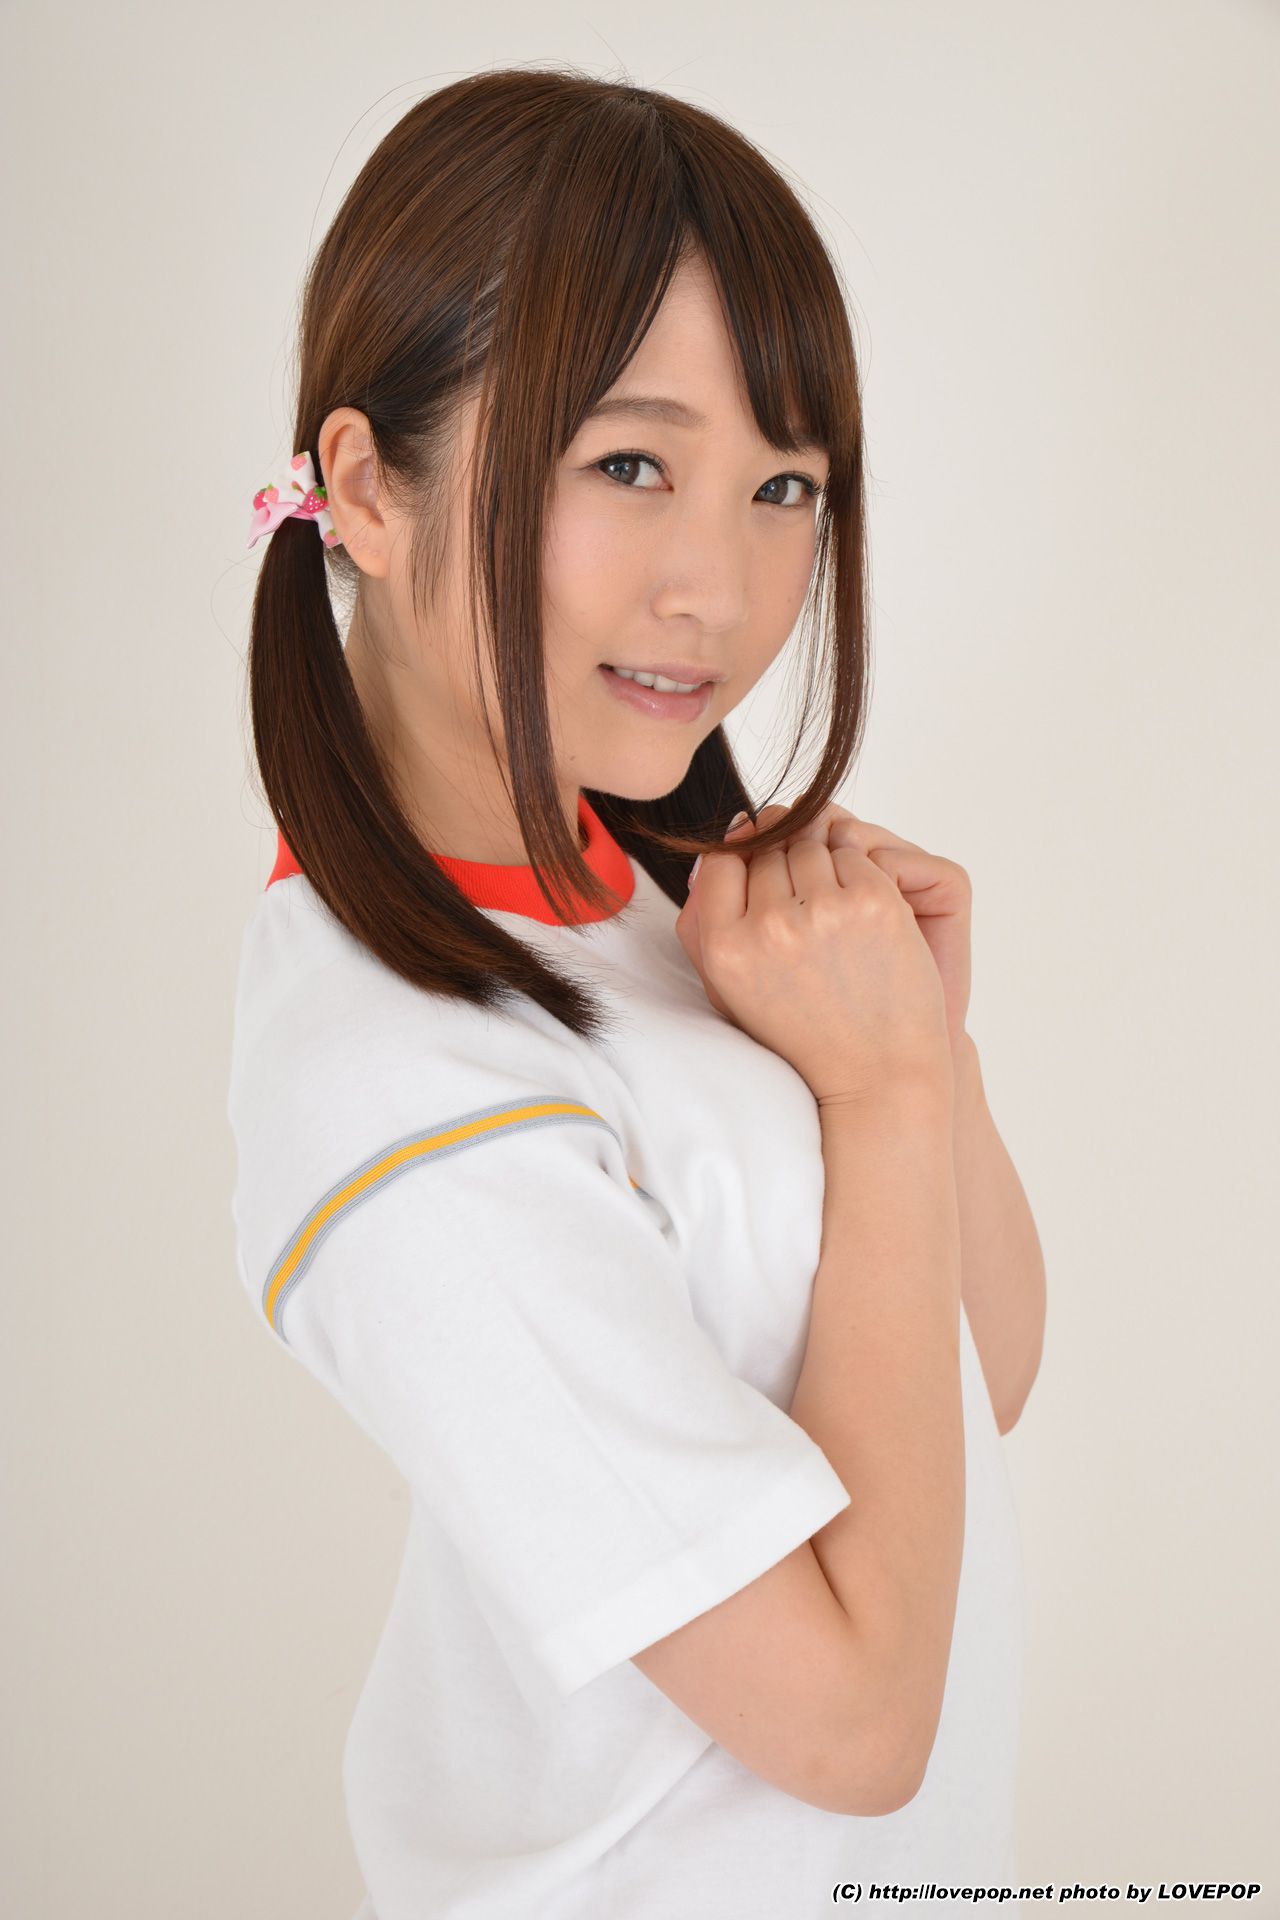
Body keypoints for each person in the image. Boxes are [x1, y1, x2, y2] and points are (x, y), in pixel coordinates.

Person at [227, 66, 1041, 1920]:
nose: (720, 587)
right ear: (365, 483)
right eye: (629, 466)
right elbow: (853, 1726)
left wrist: (921, 1055)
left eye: (783, 488)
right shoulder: (394, 1086)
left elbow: (982, 1373)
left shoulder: (666, 894)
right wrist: (883, 1100)